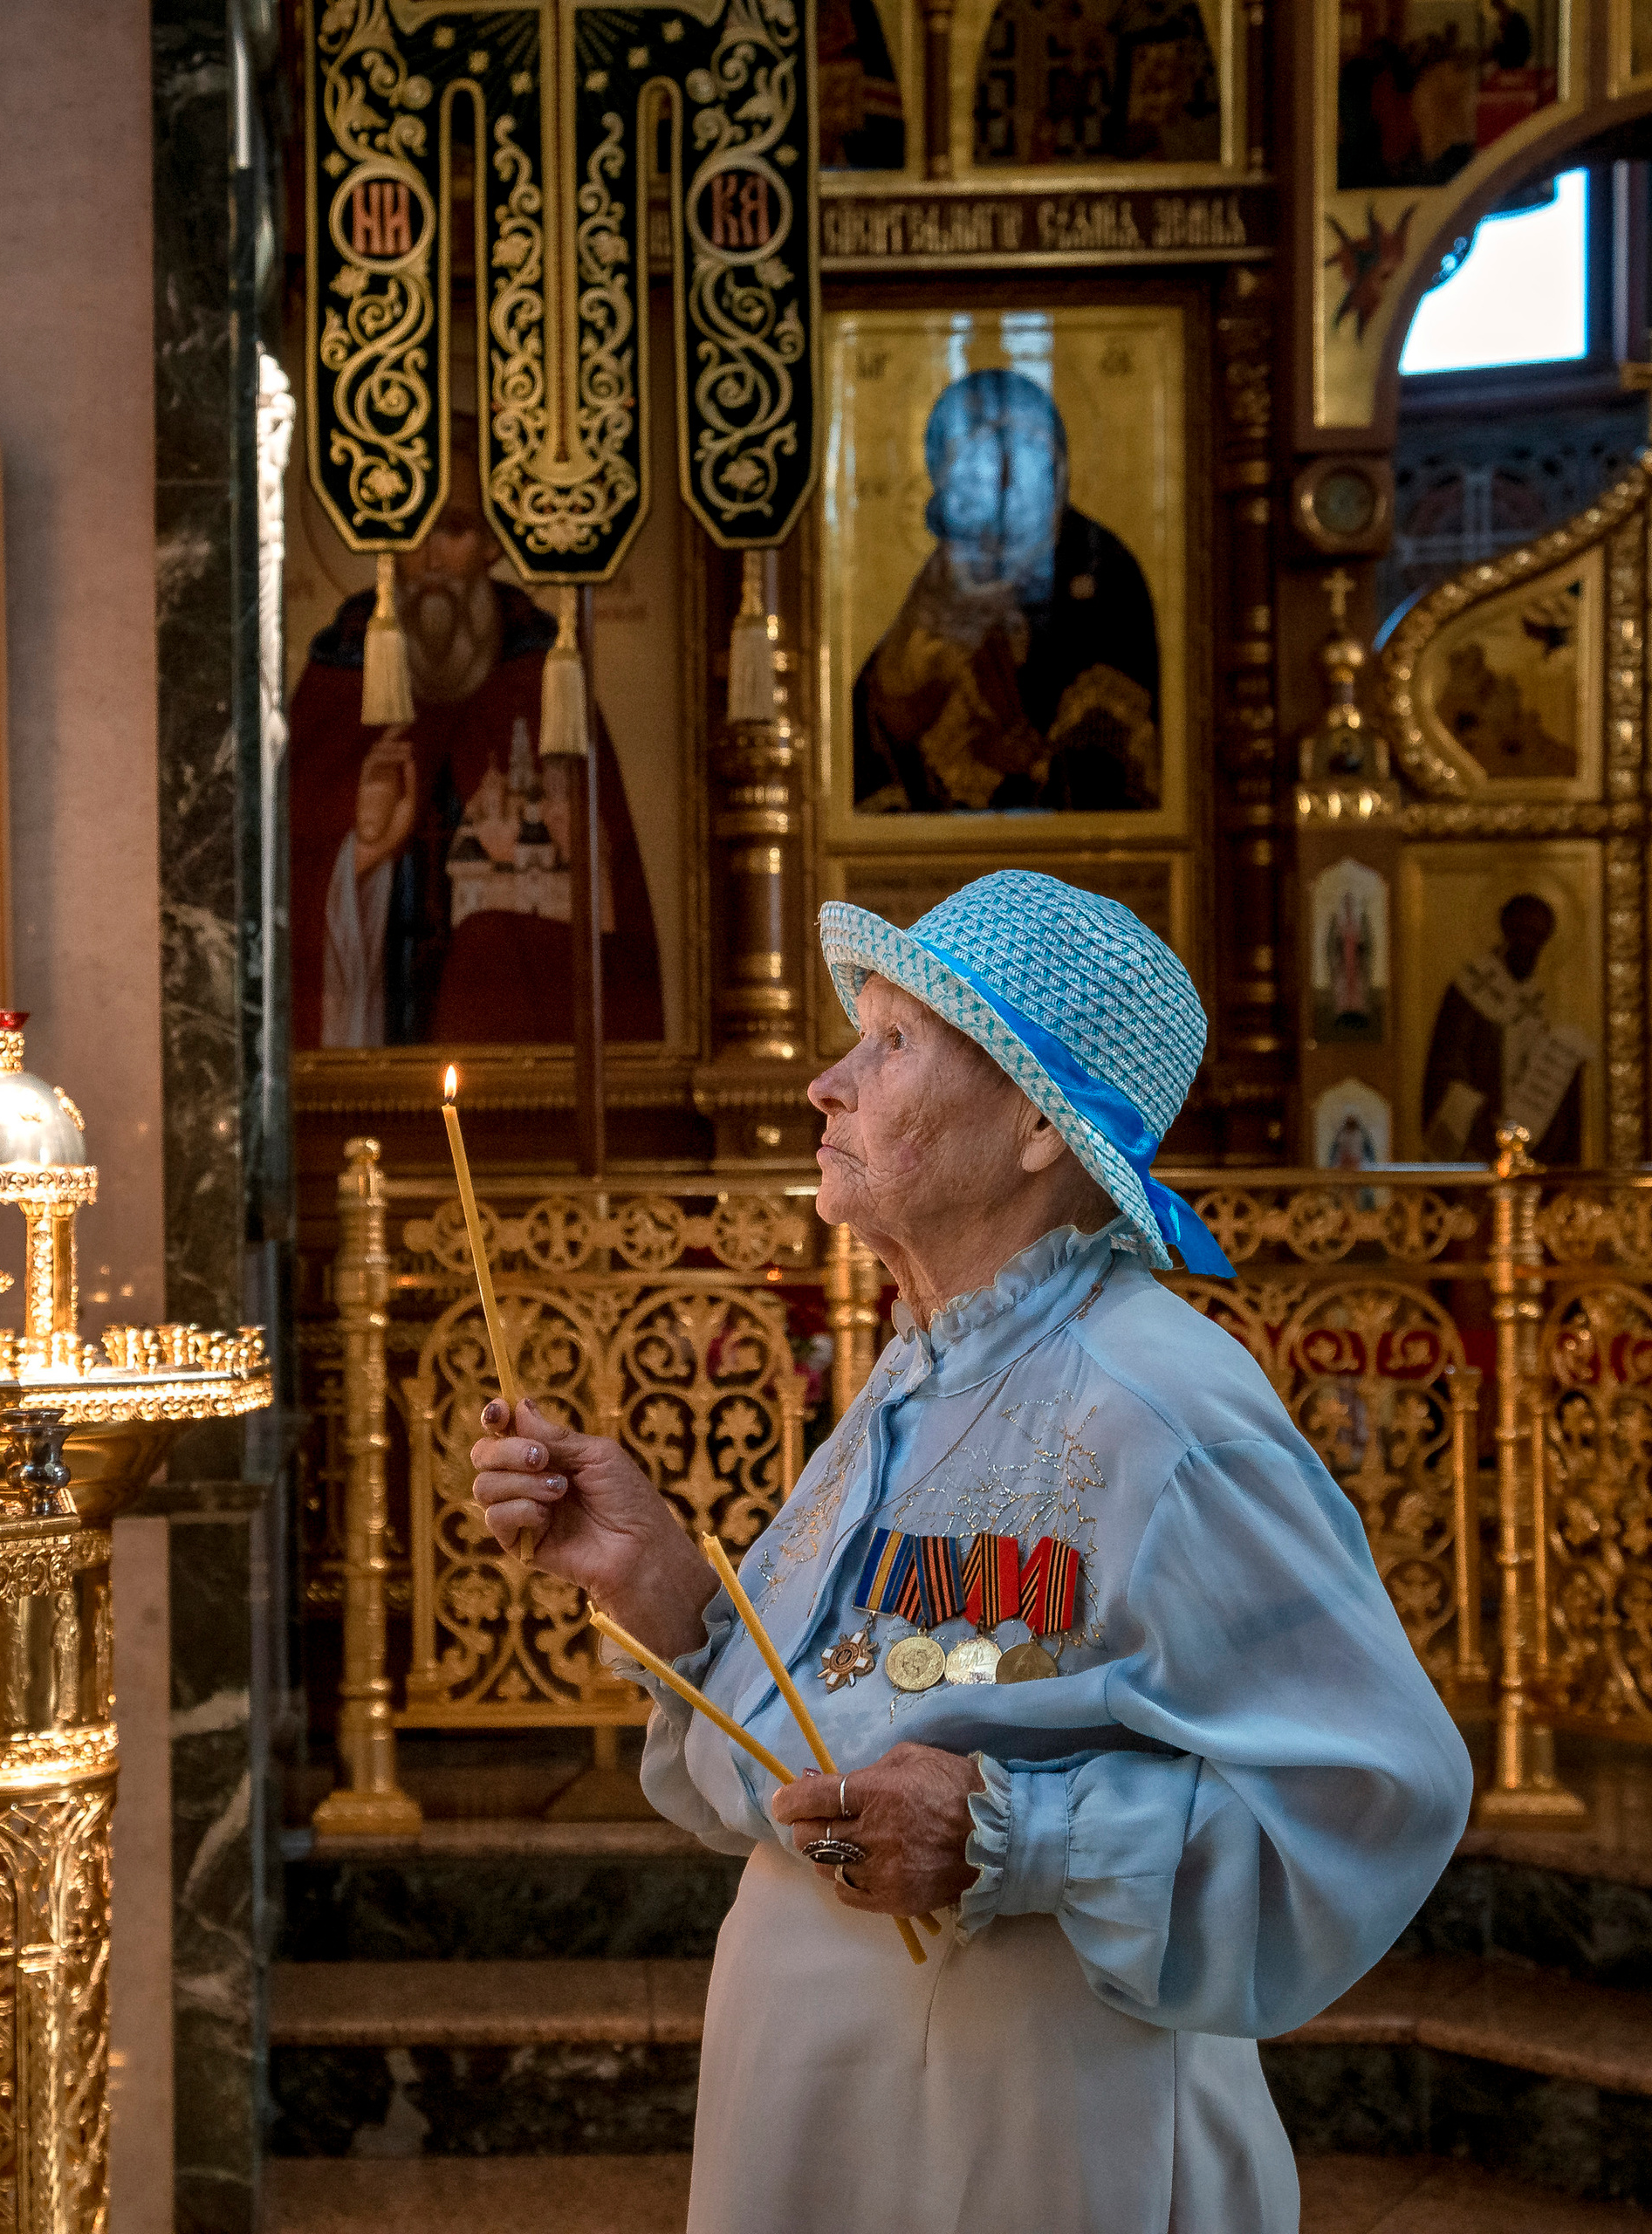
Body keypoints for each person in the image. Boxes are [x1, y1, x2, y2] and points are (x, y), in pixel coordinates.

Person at [471, 871, 1472, 2234]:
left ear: (1033, 1130)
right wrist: (661, 1585)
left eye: (890, 1044)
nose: (827, 1083)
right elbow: (840, 1731)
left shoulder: (1160, 1405)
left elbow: (1376, 1790)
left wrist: (1018, 1837)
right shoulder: (922, 1370)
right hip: (824, 2087)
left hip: (1024, 2110)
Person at [288, 431, 662, 1048]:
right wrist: (357, 851)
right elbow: (283, 889)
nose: (430, 557)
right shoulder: (343, 667)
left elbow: (609, 906)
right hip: (371, 1035)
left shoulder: (541, 675)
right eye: (412, 528)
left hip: (506, 1038)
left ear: (492, 543)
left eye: (454, 528)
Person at [853, 370, 1161, 815]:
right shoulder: (942, 579)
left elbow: (1116, 747)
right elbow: (876, 722)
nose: (1000, 486)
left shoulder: (1100, 570)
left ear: (1056, 467)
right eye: (973, 468)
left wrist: (1021, 756)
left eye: (1020, 460)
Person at [1422, 891, 1587, 1162]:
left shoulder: (1536, 997)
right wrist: (1484, 1115)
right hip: (1477, 1143)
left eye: (1538, 937)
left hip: (1529, 1141)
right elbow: (1445, 1069)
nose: (1529, 944)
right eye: (1523, 933)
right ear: (1506, 931)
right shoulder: (1471, 989)